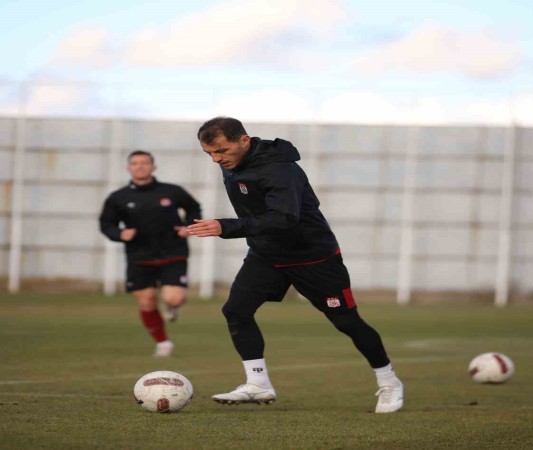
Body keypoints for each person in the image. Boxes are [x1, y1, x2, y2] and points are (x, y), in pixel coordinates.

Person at [188, 116, 403, 413]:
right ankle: (258, 383)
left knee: (347, 322)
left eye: (221, 151)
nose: (216, 159)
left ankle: (389, 382)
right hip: (267, 255)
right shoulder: (232, 164)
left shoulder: (279, 170)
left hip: (312, 256)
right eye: (209, 153)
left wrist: (225, 226)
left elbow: (284, 219)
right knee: (236, 310)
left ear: (244, 141)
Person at [99, 150, 202, 357]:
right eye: (135, 163)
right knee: (146, 301)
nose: (140, 166)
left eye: (144, 163)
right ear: (129, 168)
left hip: (172, 251)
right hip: (139, 255)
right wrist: (120, 234)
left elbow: (194, 208)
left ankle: (172, 306)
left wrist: (188, 226)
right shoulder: (118, 197)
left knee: (173, 299)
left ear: (153, 167)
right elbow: (106, 224)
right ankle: (163, 343)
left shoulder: (172, 191)